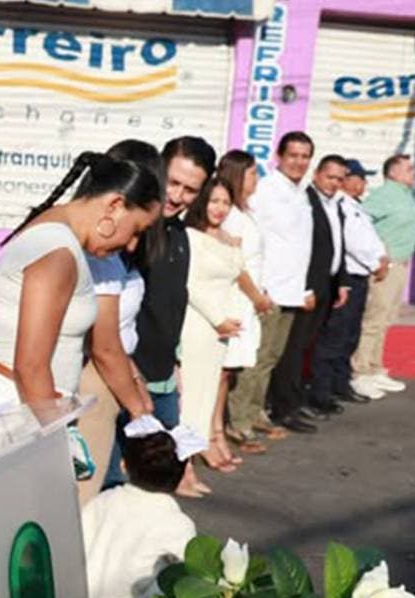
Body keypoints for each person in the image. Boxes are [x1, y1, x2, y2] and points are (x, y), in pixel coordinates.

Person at [0, 153, 161, 412]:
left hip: (22, 410)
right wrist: (56, 433)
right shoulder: (58, 252)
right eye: (136, 231)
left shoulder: (55, 236)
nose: (132, 245)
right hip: (14, 414)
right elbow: (31, 368)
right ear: (114, 206)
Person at [128, 136, 216, 495]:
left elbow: (171, 303)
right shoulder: (134, 232)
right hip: (129, 378)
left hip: (163, 376)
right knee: (122, 483)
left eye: (190, 190)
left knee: (165, 478)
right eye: (173, 182)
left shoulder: (180, 234)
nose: (177, 196)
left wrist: (175, 366)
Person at [75, 140, 160, 504]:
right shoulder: (98, 256)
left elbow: (117, 340)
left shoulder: (109, 253)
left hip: (110, 382)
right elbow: (104, 344)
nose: (134, 243)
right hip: (91, 385)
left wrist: (135, 380)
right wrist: (140, 412)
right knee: (81, 502)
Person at [227, 132, 316, 437]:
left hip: (291, 290)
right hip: (268, 291)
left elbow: (298, 245)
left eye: (305, 156)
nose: (299, 162)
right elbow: (251, 240)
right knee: (256, 357)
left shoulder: (301, 194)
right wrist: (258, 288)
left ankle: (256, 412)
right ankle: (239, 421)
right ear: (279, 156)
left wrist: (304, 289)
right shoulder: (264, 191)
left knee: (271, 358)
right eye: (293, 155)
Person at [180, 177, 270, 472]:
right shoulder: (189, 236)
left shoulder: (227, 238)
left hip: (222, 331)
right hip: (198, 325)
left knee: (207, 393)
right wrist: (218, 319)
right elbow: (189, 284)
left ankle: (195, 452)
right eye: (214, 201)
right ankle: (183, 466)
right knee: (191, 396)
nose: (219, 208)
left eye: (226, 203)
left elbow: (238, 273)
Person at [268, 155, 351, 428]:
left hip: (327, 285)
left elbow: (338, 246)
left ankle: (294, 400)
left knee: (304, 347)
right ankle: (283, 407)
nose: (334, 183)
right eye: (330, 177)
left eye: (340, 179)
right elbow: (297, 248)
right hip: (304, 287)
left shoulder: (335, 204)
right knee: (291, 349)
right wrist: (303, 287)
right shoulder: (305, 201)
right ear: (317, 174)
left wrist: (341, 282)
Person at [80, 415, 203, 598]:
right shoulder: (177, 524)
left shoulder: (102, 501)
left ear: (123, 465)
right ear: (182, 476)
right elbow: (185, 581)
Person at [215, 151, 272, 458]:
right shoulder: (231, 217)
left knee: (227, 373)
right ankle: (213, 433)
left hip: (246, 300)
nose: (256, 179)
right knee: (220, 372)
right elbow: (236, 266)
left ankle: (216, 431)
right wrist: (257, 297)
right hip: (235, 300)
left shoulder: (243, 212)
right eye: (252, 173)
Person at [351, 154, 415, 398]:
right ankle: (359, 372)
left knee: (385, 320)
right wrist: (378, 254)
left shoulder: (405, 195)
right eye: (409, 168)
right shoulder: (384, 195)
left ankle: (374, 368)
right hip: (385, 267)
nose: (414, 172)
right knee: (373, 321)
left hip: (400, 266)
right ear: (393, 173)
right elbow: (360, 222)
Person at [320, 159, 388, 403]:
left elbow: (371, 239)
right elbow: (353, 242)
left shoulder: (356, 207)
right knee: (336, 337)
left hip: (360, 277)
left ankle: (341, 384)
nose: (363, 184)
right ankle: (323, 390)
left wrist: (382, 258)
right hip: (347, 278)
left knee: (350, 336)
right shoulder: (342, 206)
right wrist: (375, 263)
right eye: (359, 178)